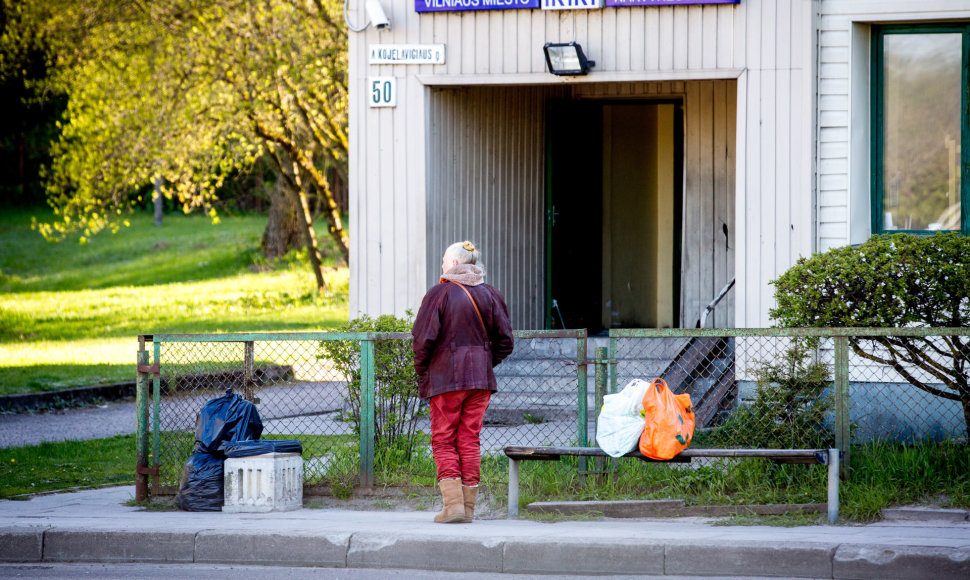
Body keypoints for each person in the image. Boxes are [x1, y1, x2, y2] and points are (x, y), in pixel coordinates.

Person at [412, 241, 514, 523]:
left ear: (455, 264)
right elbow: (506, 342)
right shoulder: (491, 294)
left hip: (446, 381)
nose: (442, 266)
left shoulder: (440, 293)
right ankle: (467, 510)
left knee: (444, 440)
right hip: (481, 381)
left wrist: (423, 372)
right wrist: (482, 363)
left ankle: (453, 507)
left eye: (444, 261)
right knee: (470, 439)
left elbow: (422, 340)